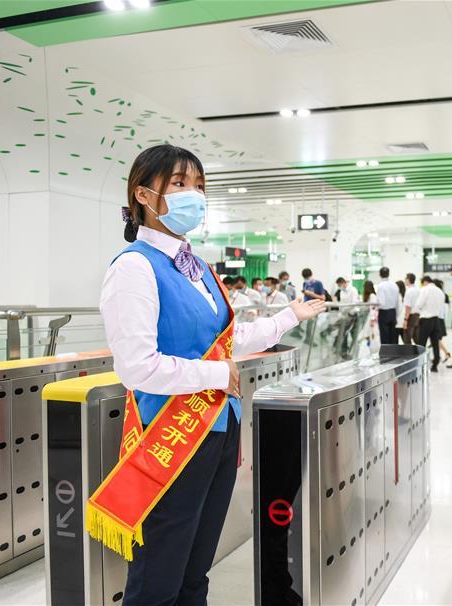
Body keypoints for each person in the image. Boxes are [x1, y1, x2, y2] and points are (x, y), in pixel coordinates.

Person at [97, 144, 326, 606]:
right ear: (144, 194)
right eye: (179, 184)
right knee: (158, 574)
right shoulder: (134, 268)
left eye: (199, 186)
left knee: (196, 569)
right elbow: (137, 366)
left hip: (219, 430)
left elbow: (228, 338)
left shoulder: (198, 267)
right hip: (170, 435)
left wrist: (288, 318)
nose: (194, 196)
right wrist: (217, 374)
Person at [415, 275, 447, 372]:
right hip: (436, 320)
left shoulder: (425, 289)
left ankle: (420, 365)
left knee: (421, 344)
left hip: (426, 319)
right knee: (435, 343)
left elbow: (419, 304)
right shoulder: (440, 292)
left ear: (425, 282)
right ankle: (435, 365)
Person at [375, 267, 399, 345]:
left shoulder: (380, 286)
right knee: (393, 336)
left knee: (384, 336)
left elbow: (381, 302)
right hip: (393, 312)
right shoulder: (394, 285)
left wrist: (376, 307)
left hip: (384, 313)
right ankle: (394, 354)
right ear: (389, 274)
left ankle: (386, 356)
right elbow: (397, 301)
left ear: (380, 274)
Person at [434, 279, 452, 364]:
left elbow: (443, 309)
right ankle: (439, 355)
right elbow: (446, 310)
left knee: (436, 339)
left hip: (437, 318)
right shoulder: (444, 295)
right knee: (436, 339)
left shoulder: (438, 295)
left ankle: (445, 353)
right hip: (440, 319)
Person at [403, 273, 421, 345]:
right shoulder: (418, 290)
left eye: (405, 279)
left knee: (407, 336)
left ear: (408, 280)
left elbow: (408, 307)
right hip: (418, 315)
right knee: (416, 336)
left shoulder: (409, 291)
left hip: (411, 315)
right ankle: (421, 352)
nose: (404, 280)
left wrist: (405, 319)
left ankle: (409, 354)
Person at [395, 279, 407, 344]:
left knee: (395, 342)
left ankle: (397, 353)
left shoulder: (397, 296)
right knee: (405, 341)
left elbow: (397, 309)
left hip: (397, 322)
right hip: (404, 322)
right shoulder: (406, 295)